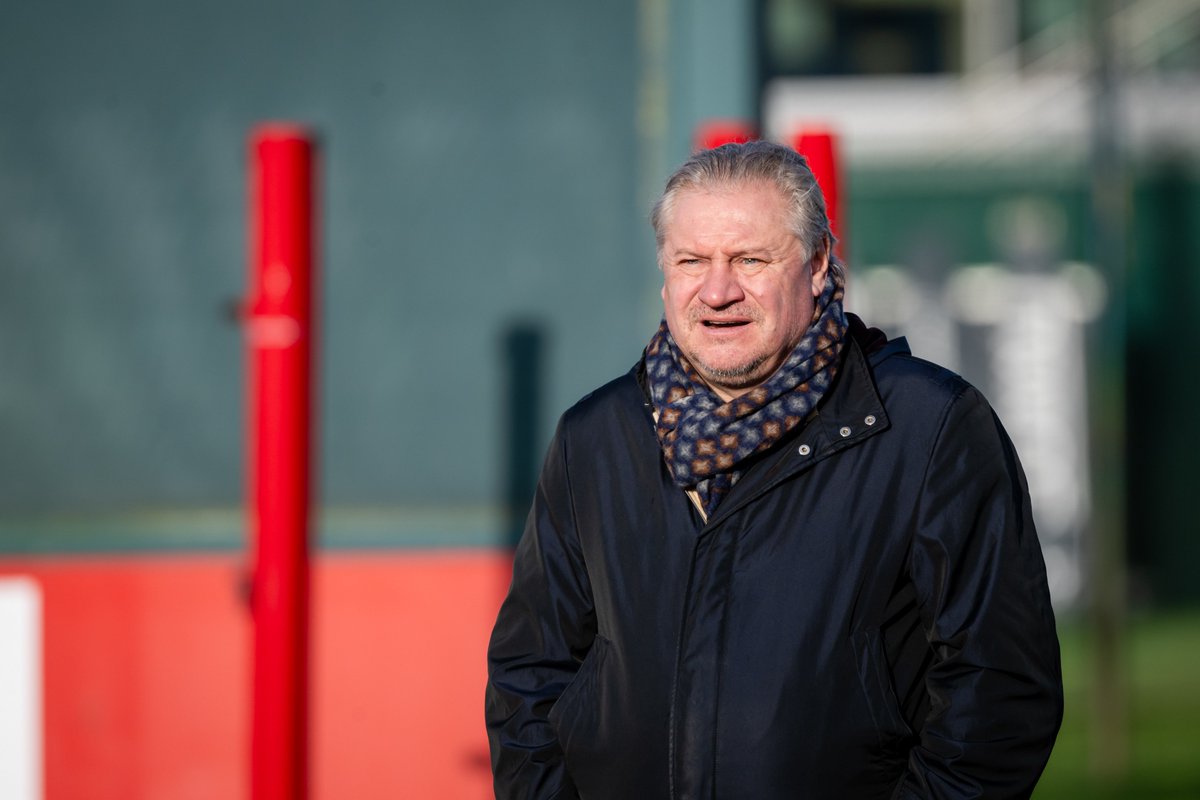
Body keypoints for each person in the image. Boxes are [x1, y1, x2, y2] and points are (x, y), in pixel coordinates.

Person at [485, 141, 1063, 799]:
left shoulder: (928, 426)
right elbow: (531, 675)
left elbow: (999, 690)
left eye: (750, 260)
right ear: (664, 270)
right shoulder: (594, 439)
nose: (718, 290)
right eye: (691, 261)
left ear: (817, 264)